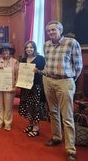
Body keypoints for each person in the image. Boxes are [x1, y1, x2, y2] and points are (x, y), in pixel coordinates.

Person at [42, 21, 83, 161]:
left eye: (53, 30)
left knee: (67, 115)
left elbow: (78, 66)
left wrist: (68, 79)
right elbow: (48, 63)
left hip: (65, 81)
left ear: (60, 30)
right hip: (48, 80)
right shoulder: (46, 45)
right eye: (49, 31)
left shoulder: (71, 43)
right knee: (52, 111)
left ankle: (71, 149)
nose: (51, 33)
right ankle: (56, 137)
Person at [18, 41, 46, 137]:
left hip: (36, 87)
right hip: (26, 87)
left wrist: (37, 71)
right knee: (27, 106)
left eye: (31, 47)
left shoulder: (40, 59)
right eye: (27, 47)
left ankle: (36, 127)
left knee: (36, 107)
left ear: (34, 48)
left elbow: (45, 72)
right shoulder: (23, 59)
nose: (29, 49)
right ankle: (30, 124)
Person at [0, 43, 19, 131]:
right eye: (3, 50)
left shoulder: (15, 62)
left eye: (7, 50)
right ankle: (0, 121)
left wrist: (15, 86)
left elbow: (17, 75)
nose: (5, 52)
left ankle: (7, 122)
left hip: (10, 87)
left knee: (8, 106)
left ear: (10, 51)